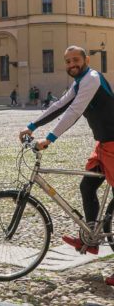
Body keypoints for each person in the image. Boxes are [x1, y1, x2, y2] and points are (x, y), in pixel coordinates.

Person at [19, 46, 114, 286]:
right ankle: (91, 241)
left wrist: (48, 139)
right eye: (68, 60)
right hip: (104, 144)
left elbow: (73, 111)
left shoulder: (91, 79)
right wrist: (31, 125)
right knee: (87, 187)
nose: (72, 64)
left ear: (86, 60)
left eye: (76, 60)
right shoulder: (79, 81)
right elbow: (60, 105)